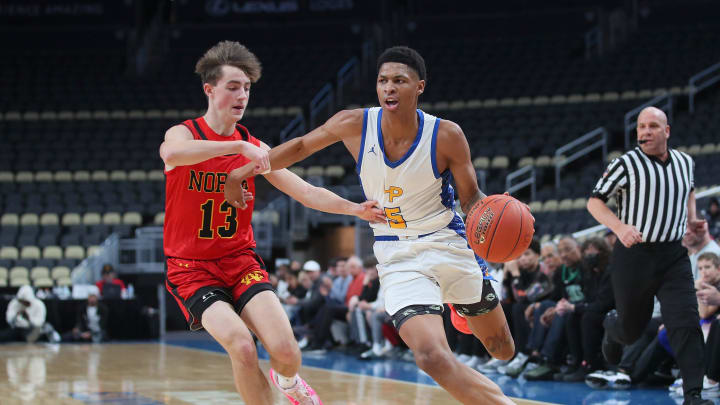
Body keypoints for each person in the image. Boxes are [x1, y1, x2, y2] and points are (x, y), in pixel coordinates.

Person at [225, 45, 515, 404]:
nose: (389, 88)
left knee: (501, 349)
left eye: (399, 81)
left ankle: (456, 304)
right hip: (397, 251)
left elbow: (470, 198)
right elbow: (300, 146)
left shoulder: (446, 135)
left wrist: (489, 218)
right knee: (431, 357)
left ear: (419, 87)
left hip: (446, 240)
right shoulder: (355, 123)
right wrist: (241, 170)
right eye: (383, 81)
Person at [158, 40, 385, 405]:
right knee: (243, 346)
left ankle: (289, 381)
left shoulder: (253, 145)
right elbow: (171, 153)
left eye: (247, 88)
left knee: (287, 352)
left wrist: (355, 209)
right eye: (233, 87)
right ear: (210, 89)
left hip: (239, 261)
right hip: (191, 268)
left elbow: (306, 192)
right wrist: (236, 149)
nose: (242, 95)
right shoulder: (187, 134)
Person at [587, 106, 711, 405]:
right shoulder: (626, 163)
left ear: (666, 131)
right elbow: (594, 202)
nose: (645, 132)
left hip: (673, 254)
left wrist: (691, 218)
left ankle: (694, 393)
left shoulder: (685, 162)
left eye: (653, 126)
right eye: (641, 127)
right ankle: (612, 326)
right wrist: (619, 227)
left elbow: (689, 190)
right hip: (634, 255)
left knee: (686, 320)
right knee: (631, 331)